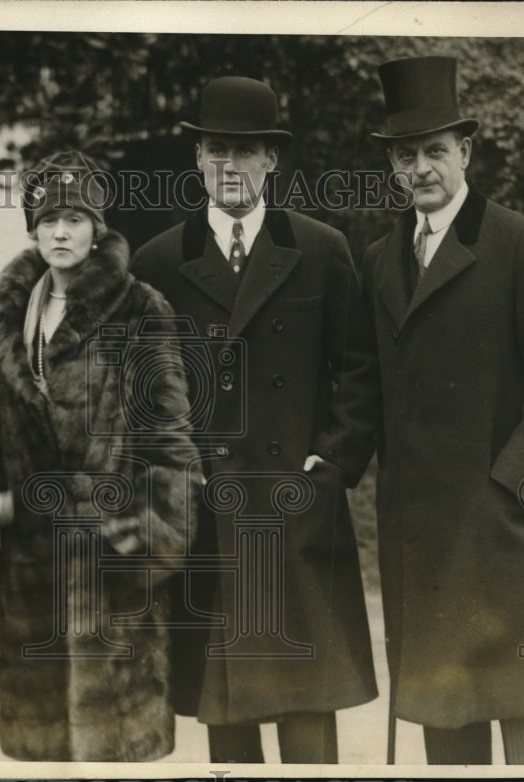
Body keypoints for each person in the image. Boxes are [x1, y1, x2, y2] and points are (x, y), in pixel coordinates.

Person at [131, 76, 381, 764]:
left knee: (307, 708)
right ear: (197, 159)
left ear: (273, 160)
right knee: (226, 708)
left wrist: (330, 466)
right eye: (216, 149)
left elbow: (358, 369)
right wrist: (176, 480)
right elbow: (143, 395)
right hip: (209, 512)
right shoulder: (159, 260)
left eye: (245, 151)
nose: (229, 166)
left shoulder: (320, 247)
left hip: (296, 509)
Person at [361, 56, 524, 765]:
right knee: (448, 727)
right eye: (407, 155)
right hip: (424, 540)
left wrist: (509, 489)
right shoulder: (378, 260)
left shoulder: (523, 245)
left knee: (521, 721)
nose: (422, 168)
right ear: (394, 167)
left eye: (436, 150)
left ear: (465, 151)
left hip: (505, 534)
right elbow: (370, 384)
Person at [0, 150, 201, 762]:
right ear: (32, 230)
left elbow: (168, 437)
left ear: (98, 229)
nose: (60, 232)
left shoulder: (139, 308)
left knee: (114, 748)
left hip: (113, 560)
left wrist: (147, 537)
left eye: (75, 219)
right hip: (32, 566)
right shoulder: (12, 315)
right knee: (40, 749)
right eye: (48, 221)